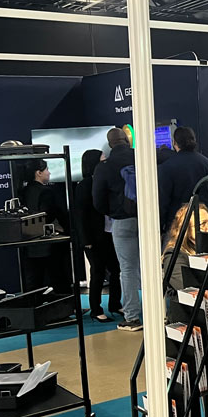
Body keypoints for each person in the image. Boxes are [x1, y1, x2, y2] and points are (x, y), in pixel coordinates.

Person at [93, 127, 143, 332]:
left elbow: (98, 201)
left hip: (122, 221)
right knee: (153, 266)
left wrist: (113, 212)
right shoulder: (141, 157)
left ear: (110, 144)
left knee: (128, 269)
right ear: (127, 140)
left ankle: (132, 317)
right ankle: (162, 312)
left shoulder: (104, 167)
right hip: (148, 220)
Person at [75, 149, 122, 322]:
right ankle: (96, 309)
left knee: (116, 269)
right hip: (93, 237)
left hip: (109, 233)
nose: (105, 162)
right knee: (97, 272)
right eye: (102, 159)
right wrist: (85, 239)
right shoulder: (84, 186)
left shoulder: (104, 180)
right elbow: (80, 214)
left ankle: (115, 303)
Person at [158, 126, 208, 234]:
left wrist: (160, 227)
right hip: (206, 226)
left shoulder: (167, 167)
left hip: (179, 227)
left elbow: (163, 201)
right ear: (194, 140)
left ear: (174, 142)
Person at [19, 158, 73, 293]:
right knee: (58, 276)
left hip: (28, 241)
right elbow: (47, 215)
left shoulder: (23, 191)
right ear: (39, 173)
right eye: (47, 170)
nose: (49, 173)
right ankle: (65, 302)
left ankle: (34, 303)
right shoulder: (46, 192)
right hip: (47, 243)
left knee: (34, 280)